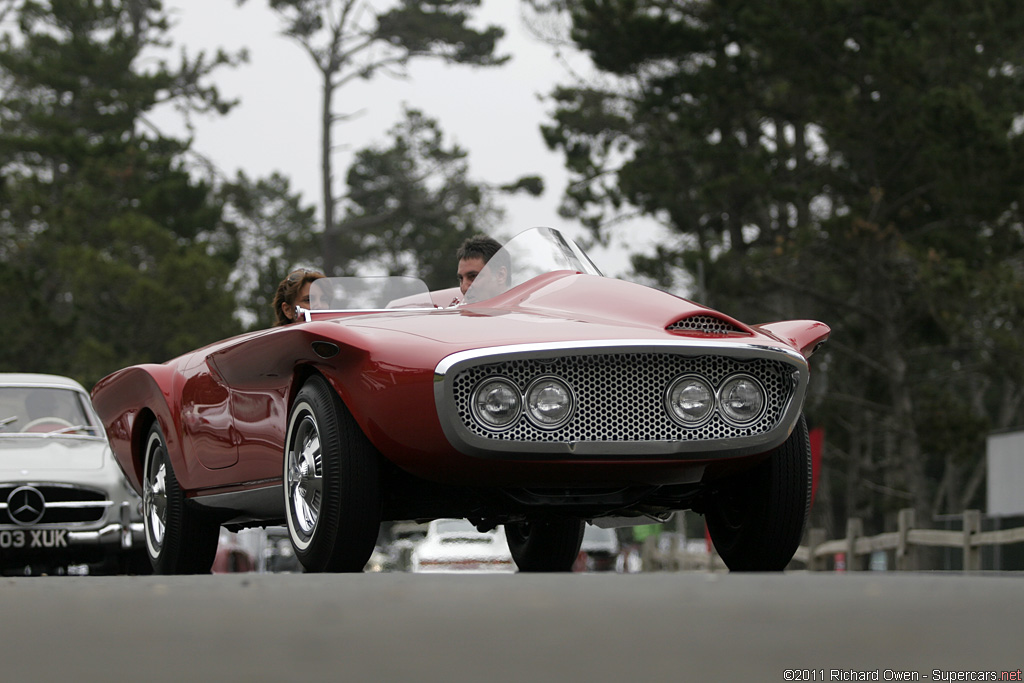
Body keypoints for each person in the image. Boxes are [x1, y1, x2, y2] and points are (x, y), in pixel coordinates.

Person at [454, 234, 510, 304]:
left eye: (473, 276)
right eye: (461, 279)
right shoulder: (455, 311)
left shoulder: (522, 312)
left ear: (500, 275)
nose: (464, 288)